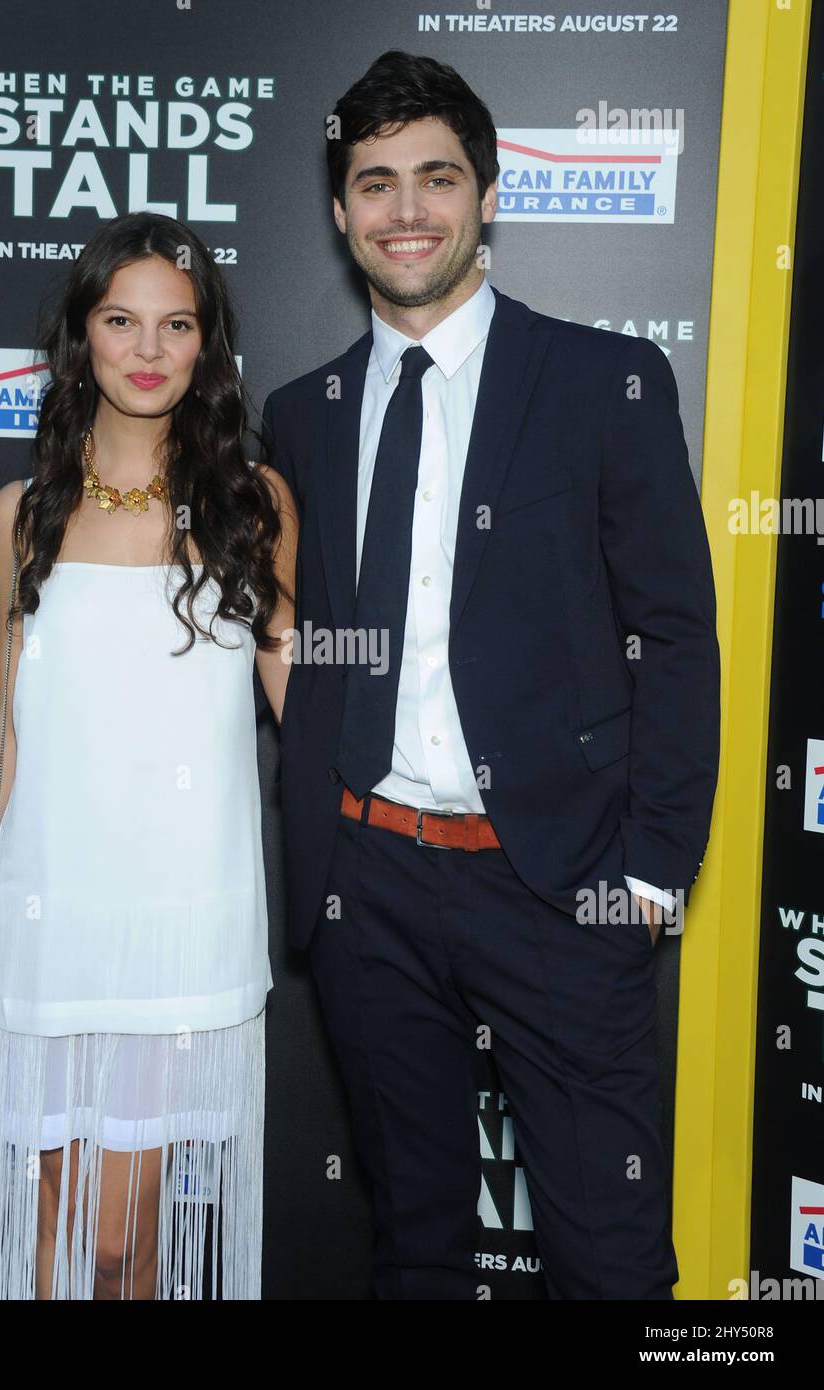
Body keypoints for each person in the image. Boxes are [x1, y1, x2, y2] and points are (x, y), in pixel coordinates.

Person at [260, 50, 720, 1299]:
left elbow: (674, 634)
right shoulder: (303, 413)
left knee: (611, 1261)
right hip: (371, 889)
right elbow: (294, 632)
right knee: (415, 1244)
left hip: (563, 890)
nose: (404, 209)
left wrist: (649, 876)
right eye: (373, 182)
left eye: (434, 178)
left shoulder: (600, 382)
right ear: (341, 209)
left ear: (487, 194)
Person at [0, 211, 297, 1300]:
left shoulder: (252, 505)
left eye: (175, 324)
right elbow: (11, 722)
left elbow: (303, 696)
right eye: (120, 320)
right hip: (53, 923)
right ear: (81, 336)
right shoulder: (22, 515)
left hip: (184, 923)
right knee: (55, 1228)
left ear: (207, 342)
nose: (147, 350)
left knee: (117, 1242)